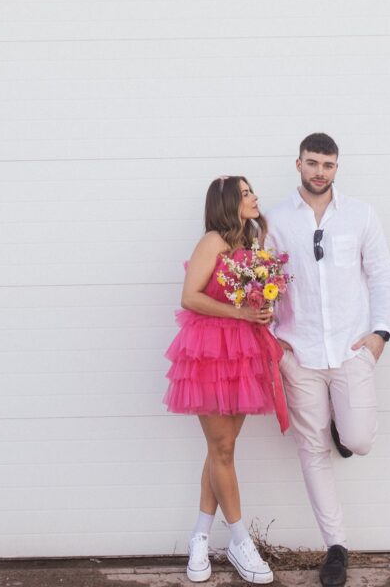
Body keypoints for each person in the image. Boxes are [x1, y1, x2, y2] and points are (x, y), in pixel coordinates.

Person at [266, 133, 390, 587]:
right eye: (312, 163)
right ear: (297, 163)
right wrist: (271, 339)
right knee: (311, 449)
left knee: (359, 439)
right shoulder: (275, 220)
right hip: (298, 353)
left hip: (350, 349)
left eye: (328, 164)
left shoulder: (361, 214)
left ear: (337, 168)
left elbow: (381, 276)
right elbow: (262, 281)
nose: (320, 171)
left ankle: (344, 424)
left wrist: (380, 334)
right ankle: (336, 546)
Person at [164, 175, 288, 585]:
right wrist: (241, 314)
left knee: (222, 448)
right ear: (228, 202)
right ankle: (239, 539)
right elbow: (190, 296)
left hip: (244, 352)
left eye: (253, 192)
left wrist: (263, 306)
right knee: (221, 447)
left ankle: (199, 537)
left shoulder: (251, 244)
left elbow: (251, 296)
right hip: (211, 351)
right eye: (247, 193)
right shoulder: (214, 241)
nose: (255, 198)